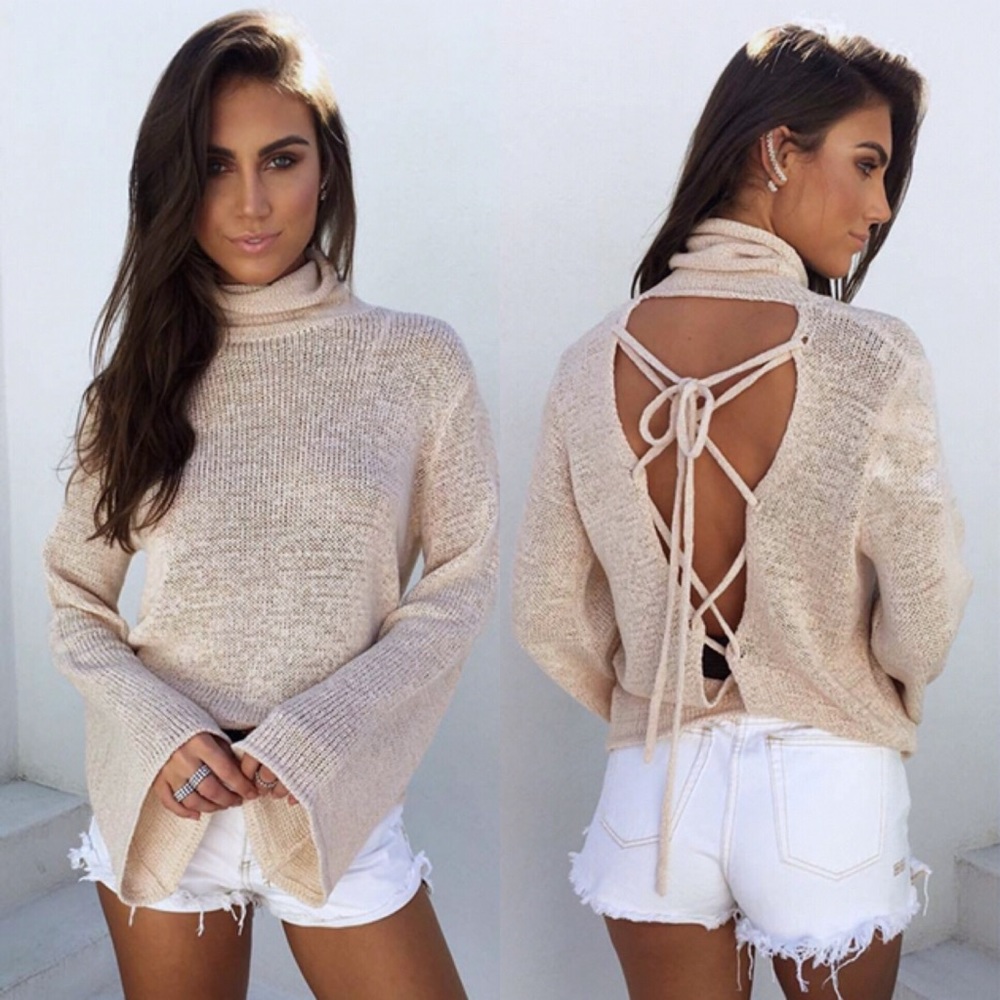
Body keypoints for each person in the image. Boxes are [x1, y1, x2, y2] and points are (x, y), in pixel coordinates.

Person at [44, 11, 496, 1000]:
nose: (250, 202)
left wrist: (319, 734)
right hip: (165, 797)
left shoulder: (416, 360)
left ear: (325, 169)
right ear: (176, 182)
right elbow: (76, 594)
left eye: (280, 160)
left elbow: (460, 584)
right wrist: (160, 731)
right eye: (215, 166)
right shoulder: (136, 381)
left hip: (336, 795)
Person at [513, 24, 970, 1000]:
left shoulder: (588, 362)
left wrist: (655, 696)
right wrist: (855, 682)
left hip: (652, 793)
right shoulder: (871, 356)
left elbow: (548, 613)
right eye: (866, 164)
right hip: (826, 793)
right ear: (776, 151)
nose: (880, 207)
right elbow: (924, 613)